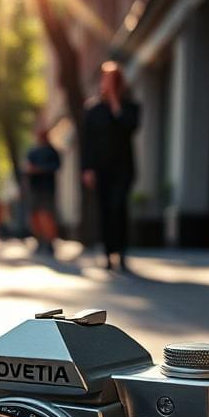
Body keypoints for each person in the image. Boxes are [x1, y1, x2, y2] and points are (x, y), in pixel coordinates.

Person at [82, 61, 141, 272]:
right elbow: (87, 142)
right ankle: (108, 254)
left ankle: (122, 251)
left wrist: (116, 102)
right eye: (104, 78)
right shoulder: (93, 109)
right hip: (100, 169)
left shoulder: (129, 106)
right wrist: (87, 168)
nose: (105, 83)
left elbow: (131, 126)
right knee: (105, 210)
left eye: (110, 79)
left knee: (119, 207)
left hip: (123, 168)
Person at [25, 125, 62, 255]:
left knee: (47, 216)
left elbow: (56, 166)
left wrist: (39, 169)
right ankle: (40, 240)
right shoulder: (32, 152)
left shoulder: (52, 151)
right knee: (35, 216)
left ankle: (49, 242)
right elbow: (26, 169)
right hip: (34, 188)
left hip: (47, 189)